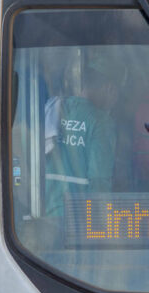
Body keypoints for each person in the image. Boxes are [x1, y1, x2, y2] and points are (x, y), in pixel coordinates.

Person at [43, 56, 121, 216]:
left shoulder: (52, 108)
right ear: (110, 88)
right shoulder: (102, 122)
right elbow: (99, 181)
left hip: (44, 216)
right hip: (77, 221)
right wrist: (104, 227)